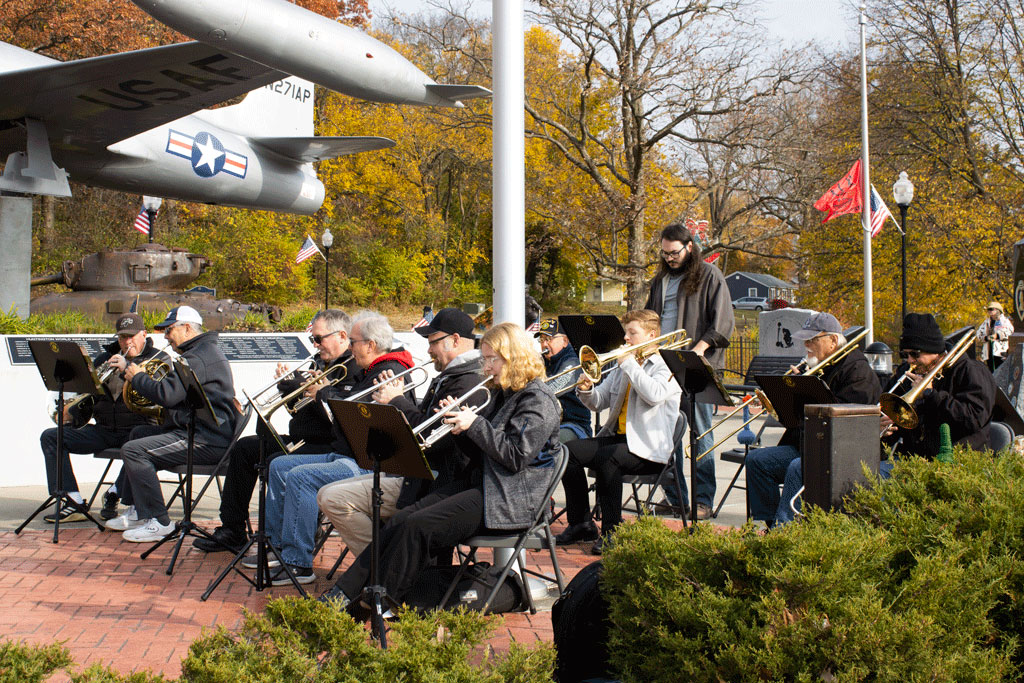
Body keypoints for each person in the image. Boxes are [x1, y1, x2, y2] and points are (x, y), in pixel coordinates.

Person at [319, 322, 561, 609]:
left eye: (490, 359)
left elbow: (516, 456)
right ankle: (346, 593)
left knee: (418, 526)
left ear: (513, 357)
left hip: (509, 500)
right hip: (485, 484)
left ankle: (383, 602)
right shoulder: (505, 392)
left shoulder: (537, 399)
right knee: (399, 519)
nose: (485, 367)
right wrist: (460, 427)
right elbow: (485, 451)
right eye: (484, 359)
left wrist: (475, 425)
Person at [260, 310, 414, 585]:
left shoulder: (389, 371)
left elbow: (359, 421)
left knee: (301, 477)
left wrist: (325, 393)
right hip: (346, 453)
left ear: (370, 345)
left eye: (353, 342)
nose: (350, 348)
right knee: (279, 465)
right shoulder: (371, 370)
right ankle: (277, 546)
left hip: (365, 462)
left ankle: (299, 564)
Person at [316, 307, 487, 555]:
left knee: (334, 499)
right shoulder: (453, 376)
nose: (428, 350)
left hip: (433, 480)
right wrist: (392, 403)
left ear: (455, 340)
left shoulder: (467, 381)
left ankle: (381, 568)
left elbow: (429, 435)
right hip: (414, 472)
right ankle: (384, 565)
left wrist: (397, 401)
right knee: (327, 493)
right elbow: (425, 421)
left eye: (432, 342)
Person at [193, 309, 360, 554]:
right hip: (302, 437)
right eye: (313, 339)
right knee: (245, 448)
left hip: (329, 445)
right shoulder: (317, 362)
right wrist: (290, 390)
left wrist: (318, 394)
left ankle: (291, 534)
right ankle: (232, 529)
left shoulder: (353, 368)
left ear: (342, 336)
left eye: (319, 338)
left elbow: (341, 421)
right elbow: (298, 411)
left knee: (276, 463)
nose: (315, 344)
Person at [107, 305, 241, 542]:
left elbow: (167, 395)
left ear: (187, 328)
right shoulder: (202, 351)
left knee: (134, 451)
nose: (166, 336)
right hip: (199, 432)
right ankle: (138, 511)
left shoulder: (198, 357)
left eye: (169, 330)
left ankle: (159, 522)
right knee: (138, 433)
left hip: (206, 440)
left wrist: (137, 377)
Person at [555, 310, 682, 554]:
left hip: (649, 447)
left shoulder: (666, 365)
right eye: (626, 332)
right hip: (619, 440)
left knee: (608, 458)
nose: (625, 338)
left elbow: (654, 395)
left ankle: (614, 531)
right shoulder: (626, 362)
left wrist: (631, 365)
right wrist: (586, 389)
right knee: (566, 451)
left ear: (651, 335)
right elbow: (599, 401)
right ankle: (581, 522)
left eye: (632, 333)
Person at [745, 312, 881, 526]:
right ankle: (769, 523)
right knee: (757, 461)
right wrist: (787, 394)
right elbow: (794, 421)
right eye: (805, 340)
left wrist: (808, 390)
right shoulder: (820, 367)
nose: (806, 345)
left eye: (813, 340)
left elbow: (847, 424)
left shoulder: (858, 372)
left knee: (798, 467)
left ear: (833, 340)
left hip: (839, 453)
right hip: (807, 445)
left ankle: (785, 528)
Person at [644, 222, 734, 519]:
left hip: (694, 366)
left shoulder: (710, 275)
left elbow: (722, 324)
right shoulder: (660, 280)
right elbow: (649, 319)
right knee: (665, 433)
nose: (669, 258)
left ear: (689, 247)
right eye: (665, 253)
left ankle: (703, 500)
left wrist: (697, 351)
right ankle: (677, 498)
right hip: (663, 366)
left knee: (700, 434)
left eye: (674, 252)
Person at [38, 313, 160, 523]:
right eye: (122, 337)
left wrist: (127, 371)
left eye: (131, 336)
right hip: (104, 429)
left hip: (137, 428)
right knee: (51, 436)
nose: (127, 342)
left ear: (144, 334)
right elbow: (88, 397)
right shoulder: (104, 359)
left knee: (139, 444)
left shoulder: (157, 359)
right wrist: (72, 412)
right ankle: (72, 500)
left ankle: (114, 491)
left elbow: (158, 395)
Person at [882, 312, 996, 460]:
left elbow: (973, 419)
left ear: (934, 351)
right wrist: (887, 427)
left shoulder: (971, 370)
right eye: (905, 354)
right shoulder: (906, 373)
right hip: (914, 460)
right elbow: (895, 415)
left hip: (959, 461)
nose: (910, 360)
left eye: (915, 354)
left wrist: (931, 394)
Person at [536, 318, 592, 443]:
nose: (544, 344)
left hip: (574, 425)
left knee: (547, 443)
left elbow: (553, 389)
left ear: (565, 341)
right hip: (548, 423)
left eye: (549, 339)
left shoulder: (573, 362)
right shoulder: (543, 361)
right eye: (542, 339)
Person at [976, 301, 1013, 372]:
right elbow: (978, 334)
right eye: (988, 309)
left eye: (991, 309)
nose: (989, 311)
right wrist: (986, 338)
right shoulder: (986, 322)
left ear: (997, 310)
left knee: (1001, 372)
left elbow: (1010, 331)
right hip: (988, 353)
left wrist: (998, 335)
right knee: (991, 372)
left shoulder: (1004, 321)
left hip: (1001, 352)